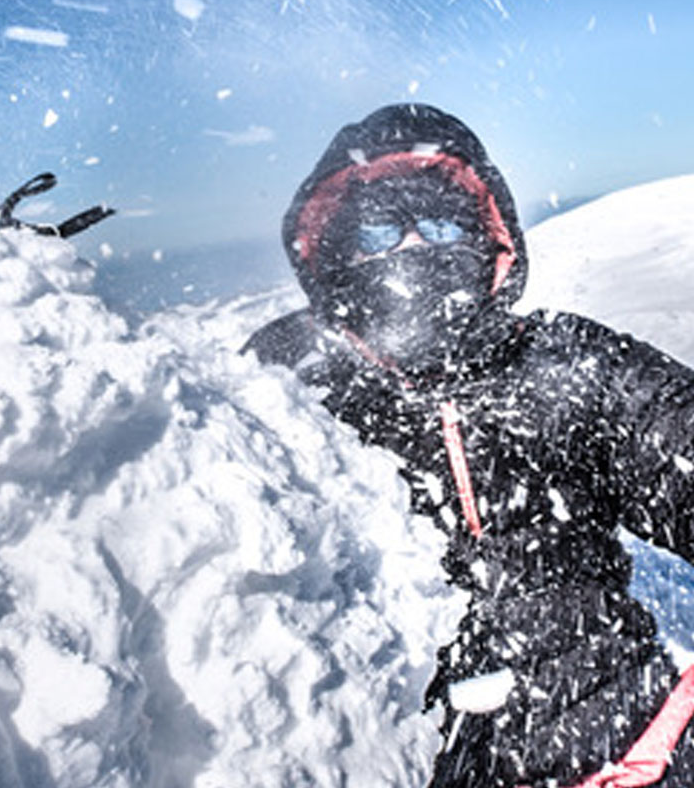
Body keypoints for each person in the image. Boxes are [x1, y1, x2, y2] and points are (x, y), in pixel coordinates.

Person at [243, 102, 694, 788]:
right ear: (336, 248)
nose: (415, 248)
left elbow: (675, 437)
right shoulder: (290, 376)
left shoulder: (562, 362)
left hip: (626, 745)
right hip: (374, 753)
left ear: (487, 238)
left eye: (444, 223)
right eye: (381, 229)